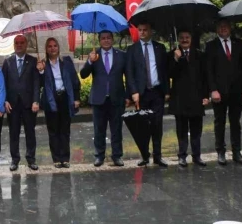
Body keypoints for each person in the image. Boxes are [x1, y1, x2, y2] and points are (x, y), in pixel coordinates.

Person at [205, 19, 242, 165]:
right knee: (219, 122)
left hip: (236, 91)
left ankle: (237, 152)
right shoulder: (210, 46)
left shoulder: (239, 44)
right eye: (220, 27)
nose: (223, 29)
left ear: (230, 28)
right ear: (217, 29)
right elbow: (209, 71)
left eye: (225, 26)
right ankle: (220, 152)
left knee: (235, 122)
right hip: (219, 92)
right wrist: (213, 90)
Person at [125, 21, 169, 167]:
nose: (142, 32)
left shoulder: (160, 48)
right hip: (141, 94)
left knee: (157, 125)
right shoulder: (132, 50)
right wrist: (133, 92)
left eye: (145, 30)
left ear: (151, 31)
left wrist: (167, 91)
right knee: (143, 127)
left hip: (157, 92)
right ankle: (144, 156)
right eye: (140, 30)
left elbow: (164, 71)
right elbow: (129, 73)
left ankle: (158, 156)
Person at [80, 30, 127, 167]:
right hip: (99, 99)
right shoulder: (95, 56)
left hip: (116, 98)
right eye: (103, 38)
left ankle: (117, 156)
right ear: (99, 40)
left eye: (108, 38)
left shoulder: (121, 55)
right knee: (99, 130)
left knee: (116, 129)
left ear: (112, 39)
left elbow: (129, 75)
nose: (106, 40)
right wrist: (89, 61)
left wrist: (129, 95)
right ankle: (99, 156)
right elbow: (83, 75)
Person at [168, 30, 209, 167]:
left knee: (197, 129)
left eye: (187, 37)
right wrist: (176, 59)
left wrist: (205, 95)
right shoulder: (173, 54)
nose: (184, 40)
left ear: (191, 39)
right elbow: (169, 74)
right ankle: (182, 156)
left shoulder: (200, 55)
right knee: (181, 129)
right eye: (182, 38)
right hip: (180, 98)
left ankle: (197, 156)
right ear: (178, 39)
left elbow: (205, 77)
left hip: (196, 97)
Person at [38, 38, 80, 168]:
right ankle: (56, 158)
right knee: (53, 130)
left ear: (58, 47)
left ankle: (65, 158)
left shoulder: (66, 61)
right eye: (49, 46)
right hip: (51, 99)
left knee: (65, 130)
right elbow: (39, 84)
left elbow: (74, 80)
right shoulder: (43, 63)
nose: (52, 48)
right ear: (46, 49)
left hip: (65, 98)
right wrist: (40, 71)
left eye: (55, 45)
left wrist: (76, 98)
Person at [1, 34, 41, 171]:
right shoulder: (7, 62)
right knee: (13, 132)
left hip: (29, 104)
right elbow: (3, 84)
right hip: (12, 104)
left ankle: (31, 159)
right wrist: (4, 100)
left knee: (30, 132)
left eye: (22, 42)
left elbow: (36, 83)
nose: (19, 45)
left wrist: (36, 100)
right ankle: (15, 160)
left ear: (26, 44)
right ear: (14, 45)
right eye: (16, 42)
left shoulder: (33, 61)